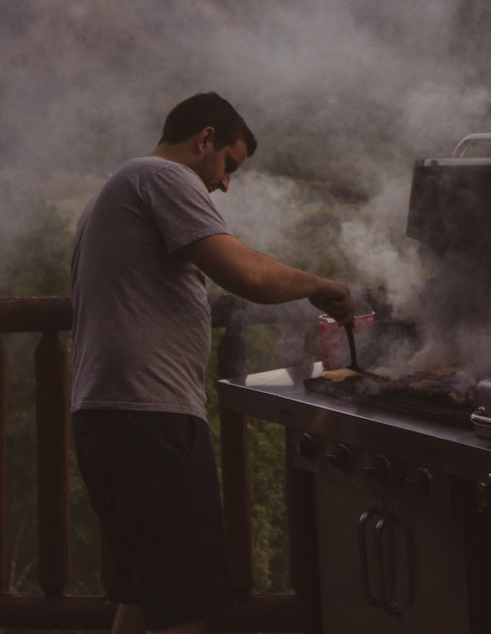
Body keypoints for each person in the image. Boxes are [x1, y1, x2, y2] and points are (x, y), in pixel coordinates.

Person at [70, 92, 355, 634]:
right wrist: (318, 285)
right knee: (188, 606)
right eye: (229, 165)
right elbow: (246, 274)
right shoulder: (162, 177)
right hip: (149, 417)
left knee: (147, 595)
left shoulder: (116, 188)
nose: (225, 183)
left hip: (106, 416)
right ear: (205, 139)